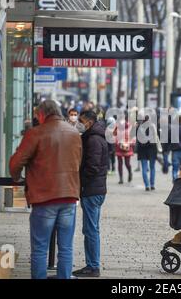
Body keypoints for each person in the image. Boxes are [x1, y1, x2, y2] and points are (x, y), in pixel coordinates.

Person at [9, 100, 82, 279]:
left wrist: (17, 177)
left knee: (40, 248)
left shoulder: (36, 133)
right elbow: (78, 161)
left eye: (37, 115)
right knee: (66, 248)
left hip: (44, 197)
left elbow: (16, 162)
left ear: (42, 114)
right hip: (69, 197)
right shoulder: (74, 133)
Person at [72, 110, 109, 278]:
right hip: (95, 189)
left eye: (81, 120)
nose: (79, 122)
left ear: (89, 121)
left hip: (92, 190)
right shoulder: (95, 136)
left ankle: (93, 266)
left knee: (90, 229)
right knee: (92, 228)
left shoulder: (93, 139)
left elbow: (92, 167)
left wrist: (81, 182)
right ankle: (91, 264)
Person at [136, 115, 158, 191]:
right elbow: (156, 138)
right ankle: (152, 185)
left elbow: (138, 140)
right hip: (152, 149)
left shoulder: (139, 127)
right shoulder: (153, 127)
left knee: (144, 168)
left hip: (142, 150)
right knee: (152, 168)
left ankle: (147, 185)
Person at [114, 118, 134, 184]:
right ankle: (121, 178)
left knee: (127, 163)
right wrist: (118, 142)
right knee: (120, 163)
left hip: (127, 148)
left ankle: (130, 172)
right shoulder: (117, 127)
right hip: (119, 147)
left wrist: (129, 143)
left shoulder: (130, 127)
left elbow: (133, 137)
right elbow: (114, 135)